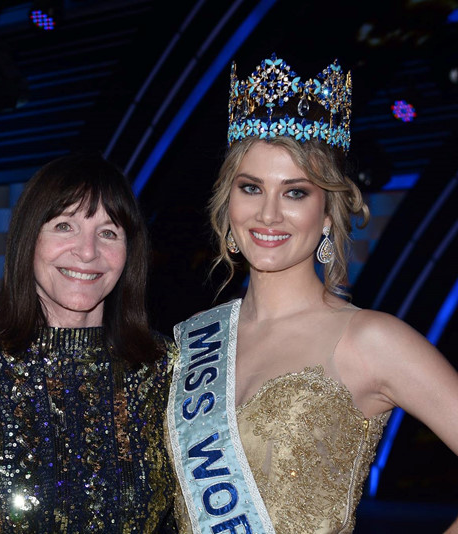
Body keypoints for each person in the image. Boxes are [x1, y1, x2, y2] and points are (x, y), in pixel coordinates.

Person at [167, 53, 458, 534]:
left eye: (295, 192)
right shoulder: (193, 341)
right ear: (228, 203)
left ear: (326, 214)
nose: (268, 214)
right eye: (251, 188)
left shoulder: (370, 339)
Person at [0, 153, 178, 533]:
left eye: (108, 232)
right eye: (64, 226)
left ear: (129, 251)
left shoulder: (163, 368)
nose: (87, 251)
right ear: (29, 238)